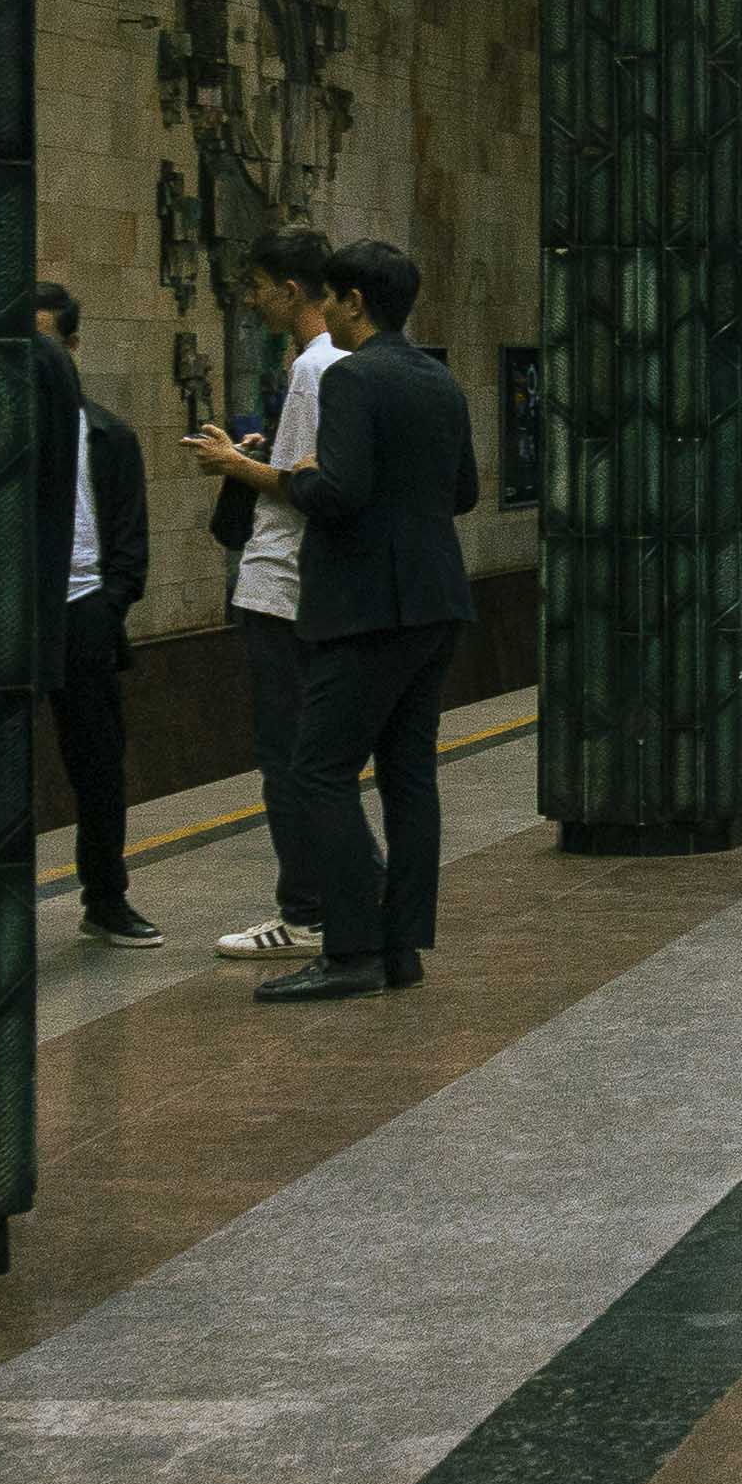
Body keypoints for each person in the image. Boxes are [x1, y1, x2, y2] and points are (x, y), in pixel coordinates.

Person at [226, 240, 469, 1000]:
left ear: (356, 303)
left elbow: (341, 495)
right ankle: (402, 948)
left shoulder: (351, 377)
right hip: (436, 600)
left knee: (319, 770)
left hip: (365, 607)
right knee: (409, 775)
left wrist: (301, 476)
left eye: (331, 298)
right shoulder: (439, 378)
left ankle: (351, 949)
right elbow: (462, 492)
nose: (324, 311)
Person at [201, 232, 342, 968]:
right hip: (302, 586)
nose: (251, 301)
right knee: (305, 757)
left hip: (282, 585)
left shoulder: (315, 369)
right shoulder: (328, 365)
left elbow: (303, 486)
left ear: (291, 291)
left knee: (286, 759)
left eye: (258, 286)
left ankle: (307, 910)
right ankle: (334, 899)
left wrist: (231, 463)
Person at [28, 283, 157, 948]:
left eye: (44, 344)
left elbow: (130, 540)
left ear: (72, 347)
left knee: (99, 766)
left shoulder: (109, 436)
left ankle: (106, 897)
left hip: (83, 608)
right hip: (15, 616)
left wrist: (108, 608)